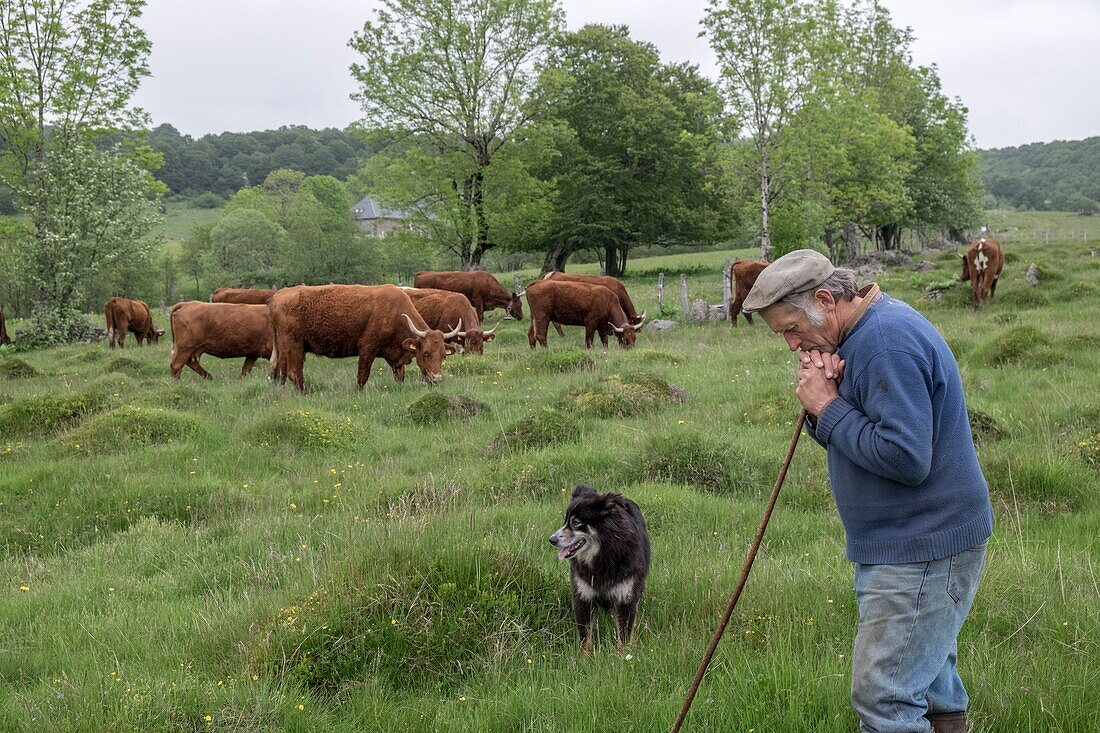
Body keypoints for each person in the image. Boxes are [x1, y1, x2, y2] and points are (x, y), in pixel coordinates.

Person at [741, 249, 993, 733]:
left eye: (791, 328)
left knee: (885, 696)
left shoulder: (884, 344)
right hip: (916, 541)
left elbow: (906, 457)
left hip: (920, 548)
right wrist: (824, 407)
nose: (792, 344)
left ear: (823, 299)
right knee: (929, 680)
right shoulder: (865, 333)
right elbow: (863, 434)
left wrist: (827, 407)